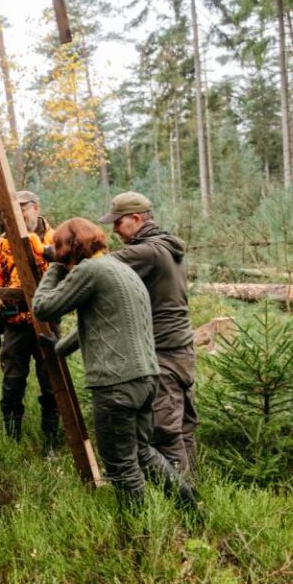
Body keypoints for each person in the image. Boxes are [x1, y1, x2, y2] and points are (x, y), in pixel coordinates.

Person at [32, 218, 195, 510]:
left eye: (60, 246)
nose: (57, 252)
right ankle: (191, 509)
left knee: (120, 466)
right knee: (142, 452)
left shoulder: (90, 271)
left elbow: (43, 307)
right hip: (146, 378)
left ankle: (139, 534)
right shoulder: (120, 269)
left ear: (70, 247)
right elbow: (100, 323)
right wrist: (59, 348)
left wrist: (55, 266)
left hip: (116, 383)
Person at [99, 191, 197, 478]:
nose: (115, 229)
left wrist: (55, 254)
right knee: (184, 426)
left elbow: (95, 269)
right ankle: (192, 487)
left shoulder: (147, 252)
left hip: (164, 351)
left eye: (118, 223)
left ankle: (181, 501)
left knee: (165, 429)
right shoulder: (166, 246)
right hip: (181, 348)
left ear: (136, 218)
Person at [0, 190, 59, 445]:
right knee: (12, 382)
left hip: (48, 323)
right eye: (13, 210)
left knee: (52, 382)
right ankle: (12, 441)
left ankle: (51, 442)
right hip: (15, 324)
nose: (18, 215)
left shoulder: (55, 240)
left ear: (35, 208)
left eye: (22, 208)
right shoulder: (4, 241)